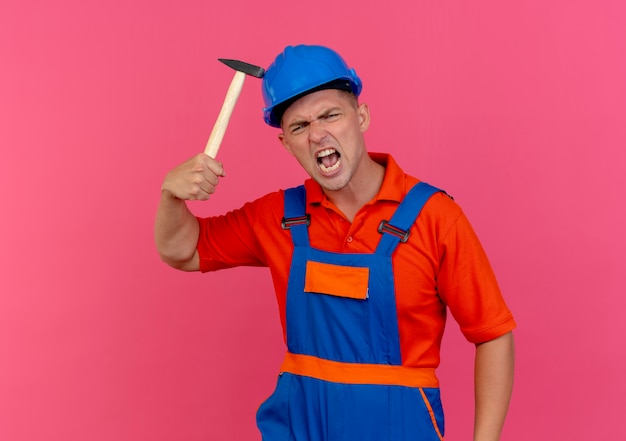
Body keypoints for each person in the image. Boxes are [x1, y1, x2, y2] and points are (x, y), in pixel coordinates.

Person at [155, 44, 516, 441]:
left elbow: (492, 333)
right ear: (286, 144)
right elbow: (183, 250)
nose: (317, 134)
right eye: (299, 126)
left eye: (330, 115)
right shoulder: (279, 217)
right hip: (300, 426)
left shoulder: (434, 218)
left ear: (361, 117)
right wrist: (171, 197)